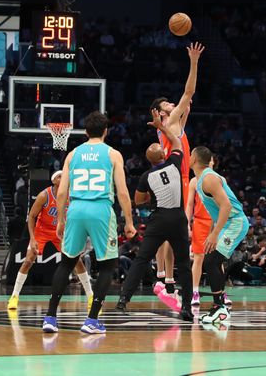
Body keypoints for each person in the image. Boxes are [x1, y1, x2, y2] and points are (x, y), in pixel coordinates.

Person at [42, 111, 136, 335]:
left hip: (75, 208)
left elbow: (62, 191)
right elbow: (122, 191)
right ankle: (92, 320)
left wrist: (61, 219)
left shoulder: (72, 154)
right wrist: (129, 221)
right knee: (107, 265)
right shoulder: (113, 154)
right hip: (100, 209)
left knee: (66, 263)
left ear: (85, 131)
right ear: (106, 131)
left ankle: (50, 317)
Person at [116, 109, 194, 320]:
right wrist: (162, 128)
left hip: (158, 219)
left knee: (141, 260)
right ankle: (186, 308)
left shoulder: (146, 176)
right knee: (184, 265)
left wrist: (152, 195)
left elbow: (139, 200)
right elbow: (177, 143)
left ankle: (123, 300)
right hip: (177, 218)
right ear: (163, 155)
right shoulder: (175, 164)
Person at [150, 42, 204, 302]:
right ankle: (166, 280)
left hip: (170, 178)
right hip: (177, 179)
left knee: (165, 228)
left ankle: (164, 279)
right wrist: (194, 61)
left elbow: (186, 104)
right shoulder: (170, 121)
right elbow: (189, 90)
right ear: (162, 113)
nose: (174, 103)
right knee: (175, 229)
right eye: (168, 103)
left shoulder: (168, 125)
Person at [7, 170, 94, 311]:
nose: (63, 177)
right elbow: (31, 217)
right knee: (28, 260)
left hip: (60, 231)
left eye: (64, 176)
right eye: (59, 176)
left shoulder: (71, 195)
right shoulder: (44, 195)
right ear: (54, 181)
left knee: (76, 260)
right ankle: (14, 296)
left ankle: (91, 296)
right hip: (41, 231)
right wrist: (33, 238)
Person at [188, 146, 249, 326]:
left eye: (191, 155)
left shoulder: (208, 179)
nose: (188, 157)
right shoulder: (201, 178)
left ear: (195, 160)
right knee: (211, 261)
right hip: (226, 224)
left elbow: (227, 207)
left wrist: (214, 234)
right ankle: (219, 306)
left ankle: (220, 307)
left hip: (235, 222)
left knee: (211, 261)